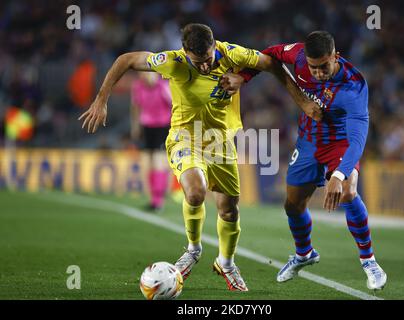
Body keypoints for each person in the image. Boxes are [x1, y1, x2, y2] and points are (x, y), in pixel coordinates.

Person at [78, 23, 321, 292]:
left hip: (221, 141)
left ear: (213, 46)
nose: (205, 66)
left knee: (228, 209)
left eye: (208, 59)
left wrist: (298, 99)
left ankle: (226, 263)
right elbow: (127, 59)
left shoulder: (231, 54)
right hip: (185, 136)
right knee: (195, 192)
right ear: (185, 52)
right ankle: (193, 249)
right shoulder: (173, 62)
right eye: (199, 62)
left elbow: (272, 63)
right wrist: (101, 99)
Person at [220, 31, 387, 291]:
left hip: (340, 142)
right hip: (309, 140)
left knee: (348, 192)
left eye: (324, 67)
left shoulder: (353, 87)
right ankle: (304, 254)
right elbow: (268, 56)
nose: (318, 73)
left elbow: (357, 140)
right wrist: (244, 77)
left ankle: (369, 261)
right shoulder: (297, 55)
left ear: (336, 56)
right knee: (293, 205)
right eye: (313, 68)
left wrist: (339, 175)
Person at [130, 72, 172, 211]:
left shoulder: (163, 86)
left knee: (158, 160)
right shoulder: (138, 87)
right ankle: (154, 197)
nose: (147, 76)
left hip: (162, 126)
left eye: (150, 73)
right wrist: (135, 126)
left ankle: (158, 200)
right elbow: (136, 106)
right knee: (148, 162)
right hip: (147, 127)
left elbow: (174, 105)